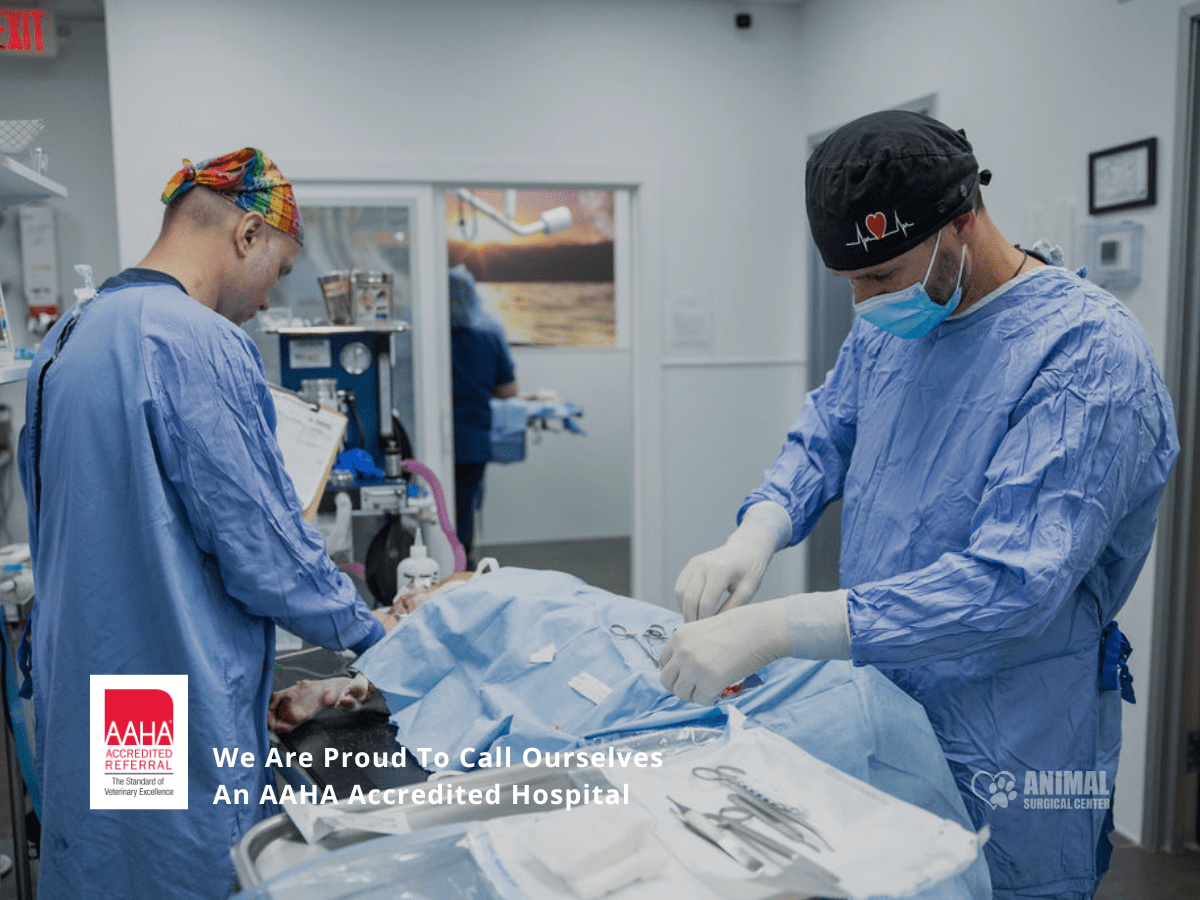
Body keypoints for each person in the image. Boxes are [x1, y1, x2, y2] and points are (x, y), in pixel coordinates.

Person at [658, 110, 1178, 900]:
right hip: (885, 697)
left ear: (963, 222)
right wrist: (757, 531)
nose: (866, 303)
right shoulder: (892, 324)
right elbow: (827, 432)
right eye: (852, 283)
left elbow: (1013, 582)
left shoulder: (1086, 354)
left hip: (1017, 734)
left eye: (882, 277)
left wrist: (775, 628)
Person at [18, 148, 386, 899]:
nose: (265, 302)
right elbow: (263, 549)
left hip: (95, 685)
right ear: (248, 234)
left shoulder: (66, 340)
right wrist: (377, 635)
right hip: (160, 690)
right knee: (175, 871)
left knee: (112, 864)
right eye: (279, 272)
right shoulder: (195, 341)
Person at [449, 265, 518, 558]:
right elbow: (508, 390)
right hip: (472, 442)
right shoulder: (489, 334)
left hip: (434, 440)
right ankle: (461, 569)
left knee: (434, 511)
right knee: (464, 512)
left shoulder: (431, 339)